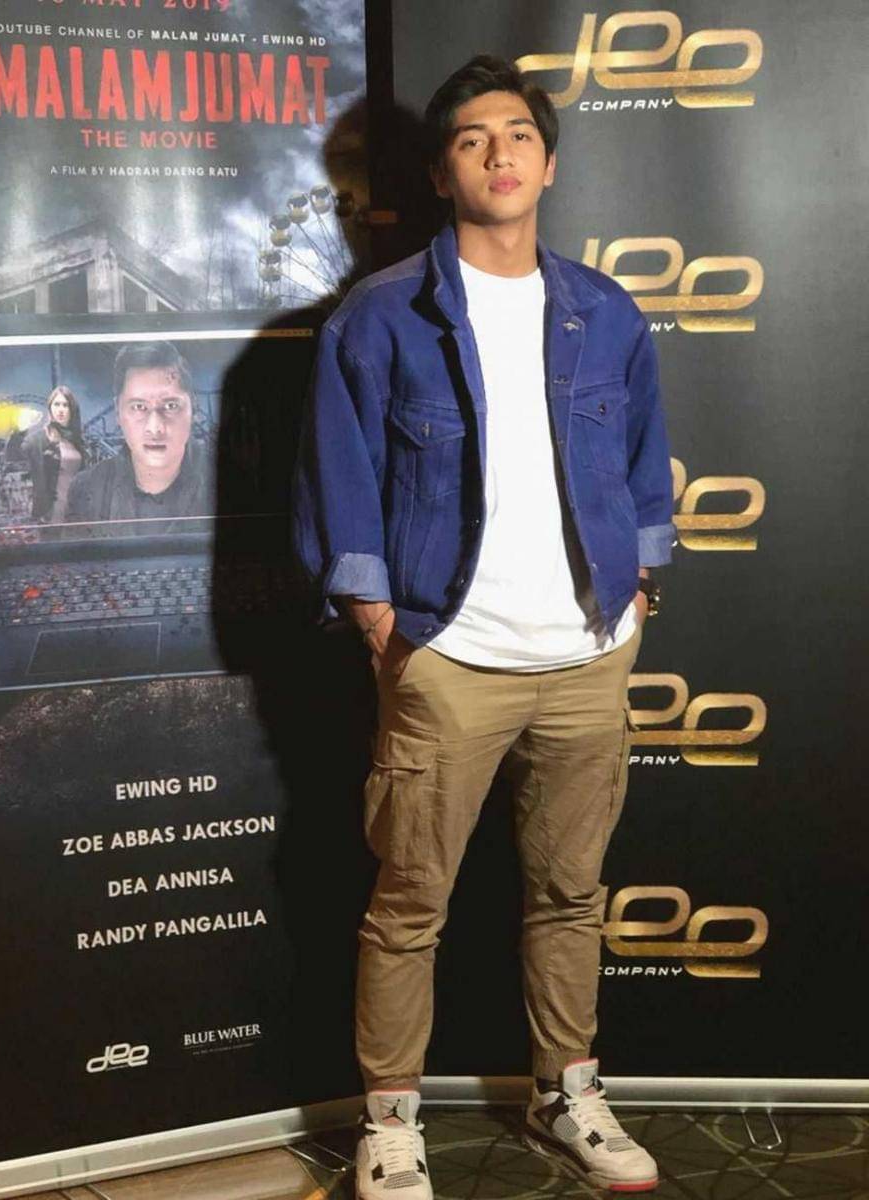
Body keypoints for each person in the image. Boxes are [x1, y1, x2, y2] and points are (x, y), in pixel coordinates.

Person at [293, 55, 675, 1198]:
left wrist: (640, 585)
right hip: (447, 658)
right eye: (471, 139)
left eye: (518, 135)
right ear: (441, 172)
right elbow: (337, 474)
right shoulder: (381, 315)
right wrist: (376, 614)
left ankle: (568, 1092)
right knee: (410, 903)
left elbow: (644, 462)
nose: (499, 153)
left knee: (570, 894)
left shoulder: (606, 311)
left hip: (587, 655)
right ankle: (391, 1121)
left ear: (548, 164)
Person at [65, 341, 211, 527]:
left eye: (170, 406)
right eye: (139, 407)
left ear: (194, 408)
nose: (155, 428)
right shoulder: (86, 490)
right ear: (118, 411)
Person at [21, 386, 87, 523]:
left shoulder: (77, 441)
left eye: (65, 405)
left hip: (77, 513)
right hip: (50, 514)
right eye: (56, 404)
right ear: (50, 408)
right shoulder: (38, 439)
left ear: (72, 410)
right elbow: (14, 454)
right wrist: (20, 430)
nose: (60, 409)